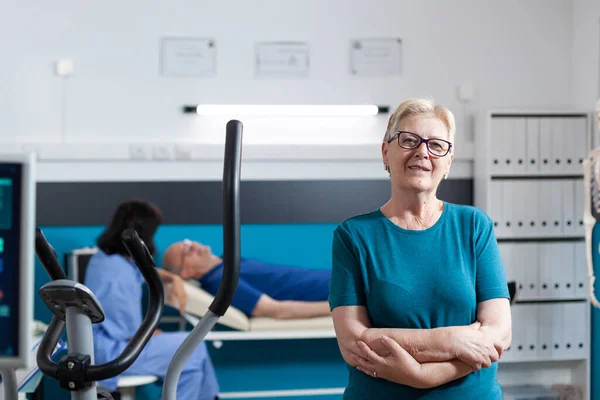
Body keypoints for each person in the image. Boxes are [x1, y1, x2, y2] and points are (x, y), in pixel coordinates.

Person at [328, 98, 512, 399]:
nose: (422, 152)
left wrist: (422, 376)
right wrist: (451, 339)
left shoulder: (474, 226)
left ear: (448, 161)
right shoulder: (353, 236)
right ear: (386, 152)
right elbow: (355, 343)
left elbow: (498, 333)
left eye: (436, 145)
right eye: (409, 140)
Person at [84, 200, 220, 400]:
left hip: (109, 345)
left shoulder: (108, 259)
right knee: (194, 349)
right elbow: (128, 331)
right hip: (113, 353)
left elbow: (142, 272)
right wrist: (146, 333)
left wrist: (172, 277)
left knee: (191, 367)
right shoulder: (117, 276)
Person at [162, 240, 331, 319]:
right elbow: (276, 310)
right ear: (185, 272)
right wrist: (338, 306)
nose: (192, 247)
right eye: (186, 251)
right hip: (338, 290)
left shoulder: (225, 264)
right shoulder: (221, 281)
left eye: (188, 243)